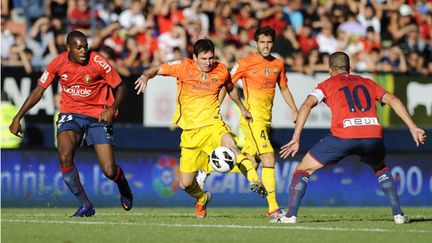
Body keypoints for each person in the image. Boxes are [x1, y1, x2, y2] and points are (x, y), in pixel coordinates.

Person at [273, 52, 427, 224]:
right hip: (373, 135)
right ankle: (398, 214)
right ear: (349, 68)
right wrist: (413, 128)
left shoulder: (326, 84)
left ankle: (291, 215)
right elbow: (393, 99)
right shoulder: (368, 82)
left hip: (344, 136)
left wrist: (296, 137)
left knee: (303, 170)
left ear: (330, 69)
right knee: (380, 167)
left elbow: (307, 105)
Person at [134, 38, 267, 219]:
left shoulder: (220, 70)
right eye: (204, 59)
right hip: (190, 133)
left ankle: (254, 180)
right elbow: (157, 69)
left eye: (211, 58)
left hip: (213, 124)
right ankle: (202, 198)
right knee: (185, 184)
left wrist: (242, 109)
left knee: (231, 147)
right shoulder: (183, 66)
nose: (208, 62)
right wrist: (145, 76)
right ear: (195, 57)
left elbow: (230, 88)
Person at [9, 30, 133, 217]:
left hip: (98, 116)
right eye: (79, 47)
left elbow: (121, 87)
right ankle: (86, 205)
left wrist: (111, 108)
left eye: (86, 47)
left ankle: (122, 184)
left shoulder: (98, 61)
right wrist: (18, 117)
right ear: (69, 49)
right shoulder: (58, 62)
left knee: (109, 171)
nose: (84, 51)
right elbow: (39, 90)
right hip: (71, 114)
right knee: (65, 156)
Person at [197, 26, 298, 218]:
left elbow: (284, 88)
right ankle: (273, 209)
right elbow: (226, 84)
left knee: (251, 162)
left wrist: (294, 109)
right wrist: (214, 108)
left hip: (266, 121)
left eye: (269, 42)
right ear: (256, 43)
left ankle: (207, 167)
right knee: (269, 158)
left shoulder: (278, 64)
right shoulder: (245, 63)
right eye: (262, 42)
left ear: (273, 43)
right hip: (252, 120)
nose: (266, 46)